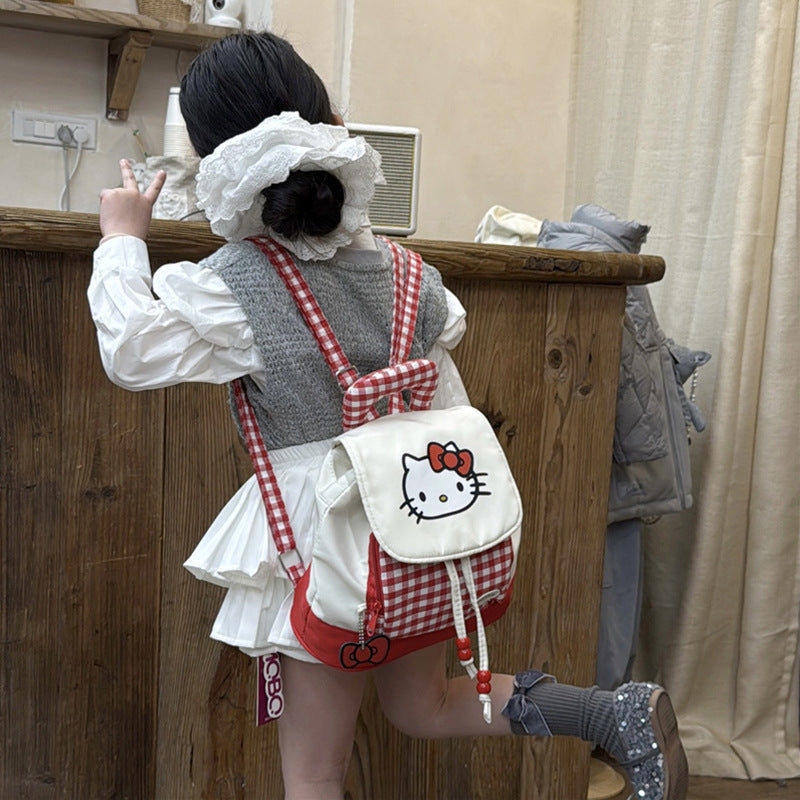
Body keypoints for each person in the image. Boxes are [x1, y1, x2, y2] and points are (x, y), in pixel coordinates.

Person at [88, 31, 688, 800]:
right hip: (416, 524)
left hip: (326, 545)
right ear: (329, 119)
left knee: (315, 773)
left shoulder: (237, 282)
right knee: (426, 706)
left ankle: (612, 717)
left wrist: (121, 240)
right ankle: (610, 715)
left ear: (212, 159)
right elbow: (447, 408)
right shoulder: (410, 274)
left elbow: (131, 350)